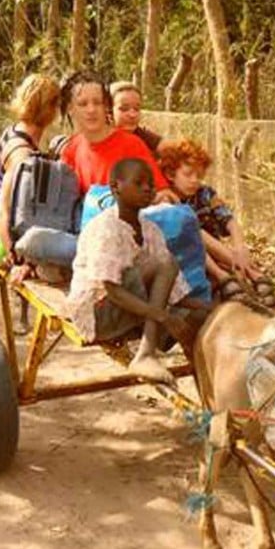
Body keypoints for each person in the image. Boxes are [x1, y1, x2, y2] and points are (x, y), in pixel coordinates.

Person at [66, 158, 191, 384]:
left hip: (128, 304)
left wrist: (212, 307)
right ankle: (145, 354)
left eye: (151, 185)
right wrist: (161, 315)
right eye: (139, 183)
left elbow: (174, 291)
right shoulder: (106, 228)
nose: (148, 188)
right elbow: (112, 290)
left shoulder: (150, 229)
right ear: (116, 188)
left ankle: (210, 402)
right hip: (98, 312)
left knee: (197, 316)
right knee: (165, 263)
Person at [155, 138, 271, 302]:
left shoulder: (205, 193)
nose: (195, 180)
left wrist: (239, 247)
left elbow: (228, 219)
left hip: (217, 254)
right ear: (170, 174)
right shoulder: (167, 200)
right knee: (192, 228)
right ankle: (235, 275)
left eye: (199, 175)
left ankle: (245, 271)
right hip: (187, 258)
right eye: (188, 174)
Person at [58, 70, 168, 195]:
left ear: (106, 107)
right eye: (83, 104)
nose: (91, 110)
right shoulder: (71, 150)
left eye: (97, 102)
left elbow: (162, 193)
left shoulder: (131, 145)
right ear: (70, 109)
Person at [0, 74, 61, 267]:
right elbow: (1, 210)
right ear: (50, 108)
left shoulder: (17, 131)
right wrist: (14, 254)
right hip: (10, 241)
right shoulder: (21, 153)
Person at [110, 81, 164, 154]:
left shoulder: (144, 137)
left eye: (136, 109)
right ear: (108, 110)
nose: (132, 115)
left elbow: (166, 147)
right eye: (124, 109)